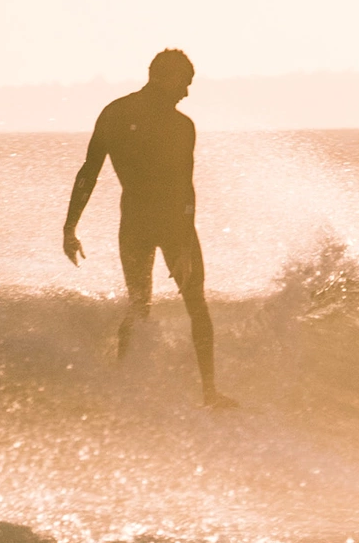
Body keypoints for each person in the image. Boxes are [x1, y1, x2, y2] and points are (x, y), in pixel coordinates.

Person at [61, 49, 240, 409]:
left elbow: (88, 173)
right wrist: (185, 246)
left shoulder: (115, 112)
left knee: (138, 307)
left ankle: (125, 391)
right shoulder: (179, 125)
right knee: (192, 304)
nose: (186, 93)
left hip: (135, 224)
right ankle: (208, 393)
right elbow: (184, 189)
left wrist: (70, 225)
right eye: (184, 83)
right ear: (165, 76)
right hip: (172, 225)